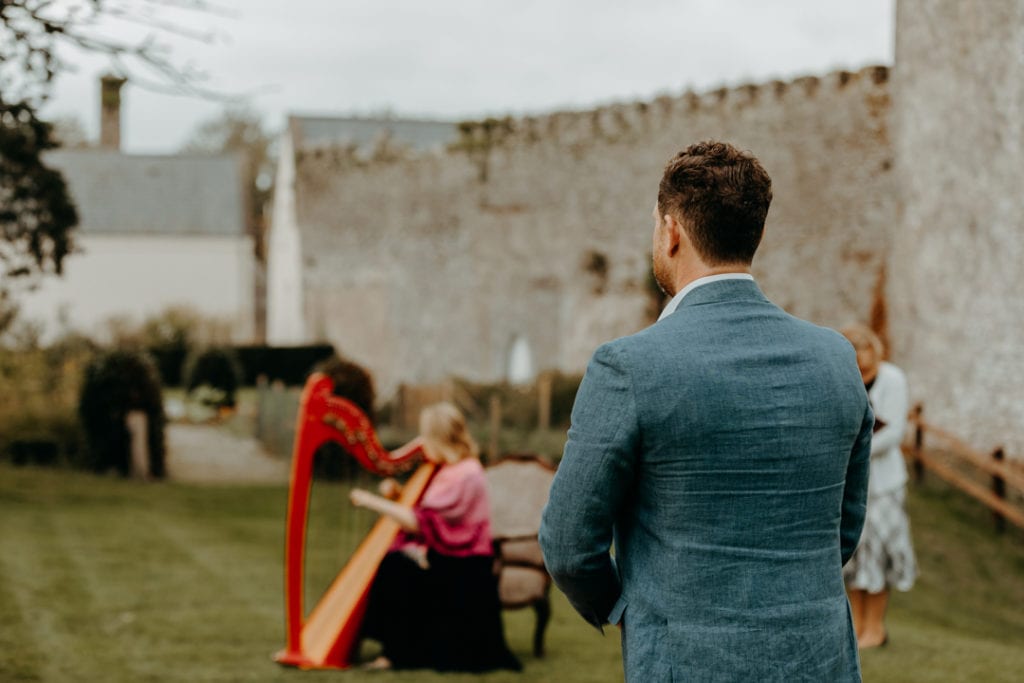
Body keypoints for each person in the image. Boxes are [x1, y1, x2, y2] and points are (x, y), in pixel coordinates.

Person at [538, 141, 872, 682]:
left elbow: (568, 543)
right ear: (755, 234)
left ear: (671, 232)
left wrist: (626, 610)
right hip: (820, 658)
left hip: (685, 662)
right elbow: (844, 528)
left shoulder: (628, 366)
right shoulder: (837, 358)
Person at [348, 402, 521, 673]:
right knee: (396, 564)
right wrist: (396, 494)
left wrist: (371, 501)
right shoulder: (449, 468)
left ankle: (396, 653)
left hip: (466, 565)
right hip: (452, 557)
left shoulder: (465, 474)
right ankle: (396, 650)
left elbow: (420, 521)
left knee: (395, 568)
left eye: (424, 435)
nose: (420, 442)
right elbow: (427, 510)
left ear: (438, 438)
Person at [840, 324, 917, 649]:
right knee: (854, 557)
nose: (863, 371)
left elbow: (893, 433)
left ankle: (876, 627)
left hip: (884, 485)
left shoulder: (893, 380)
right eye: (858, 367)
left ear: (876, 355)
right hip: (850, 484)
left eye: (867, 365)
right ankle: (857, 626)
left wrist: (852, 449)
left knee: (879, 557)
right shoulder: (843, 379)